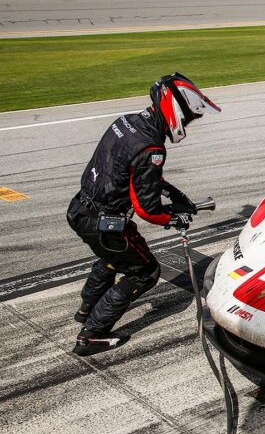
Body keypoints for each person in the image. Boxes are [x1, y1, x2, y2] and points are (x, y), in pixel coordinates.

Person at [67, 73, 220, 356]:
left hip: (81, 209)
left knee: (114, 257)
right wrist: (172, 218)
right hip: (105, 222)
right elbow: (147, 210)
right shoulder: (152, 148)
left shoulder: (126, 123)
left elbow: (132, 173)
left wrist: (174, 194)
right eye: (188, 118)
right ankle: (91, 335)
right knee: (145, 272)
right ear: (176, 111)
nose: (188, 124)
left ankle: (86, 307)